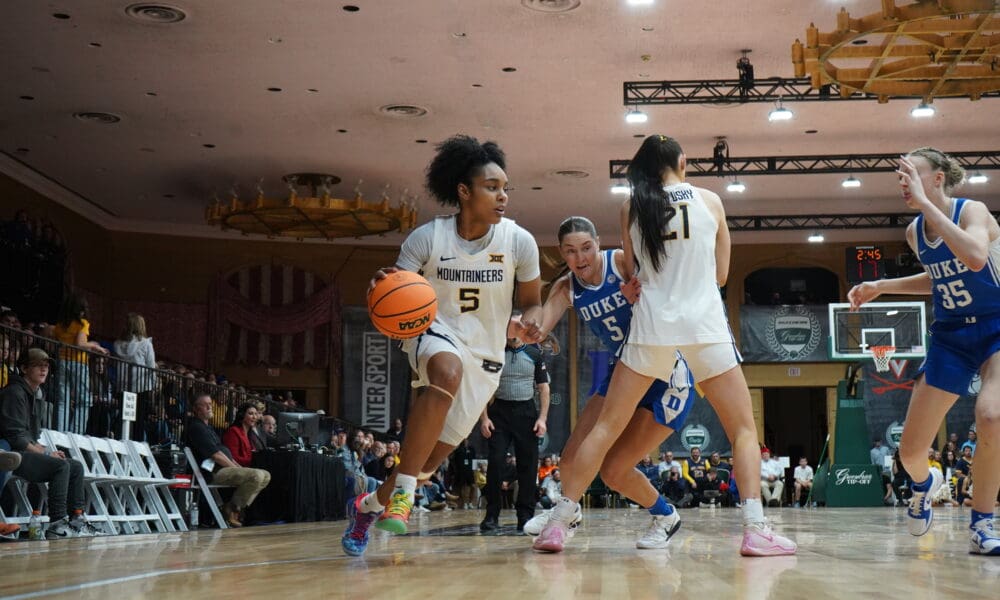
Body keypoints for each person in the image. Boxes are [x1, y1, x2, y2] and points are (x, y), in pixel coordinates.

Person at [534, 135, 796, 556]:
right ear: (683, 162)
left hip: (652, 327)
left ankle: (560, 522)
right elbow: (724, 275)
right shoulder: (711, 201)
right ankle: (755, 529)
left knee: (605, 428)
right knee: (743, 430)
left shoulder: (631, 207)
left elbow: (633, 273)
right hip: (704, 325)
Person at [341, 134, 544, 556]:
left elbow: (531, 304)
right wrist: (383, 286)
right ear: (464, 191)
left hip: (486, 356)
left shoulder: (519, 242)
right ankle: (404, 497)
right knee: (446, 372)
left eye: (506, 188)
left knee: (427, 461)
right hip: (432, 333)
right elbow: (394, 287)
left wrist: (530, 324)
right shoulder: (428, 239)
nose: (503, 196)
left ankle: (367, 506)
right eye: (492, 187)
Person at [847, 147, 1000, 554]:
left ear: (937, 178)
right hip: (950, 336)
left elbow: (974, 256)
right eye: (900, 175)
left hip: (995, 327)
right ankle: (923, 484)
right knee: (910, 452)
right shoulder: (916, 232)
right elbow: (938, 277)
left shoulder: (972, 212)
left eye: (912, 173)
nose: (904, 181)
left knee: (991, 416)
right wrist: (881, 286)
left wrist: (930, 208)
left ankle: (982, 523)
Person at [522, 215, 695, 549]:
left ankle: (665, 516)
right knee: (571, 457)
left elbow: (666, 298)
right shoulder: (566, 287)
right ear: (562, 253)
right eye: (570, 251)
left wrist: (641, 299)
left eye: (586, 248)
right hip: (625, 369)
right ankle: (568, 512)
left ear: (598, 243)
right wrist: (525, 328)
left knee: (615, 469)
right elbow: (540, 327)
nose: (580, 258)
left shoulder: (619, 263)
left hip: (664, 374)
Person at [0, 348, 101, 538]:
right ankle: (57, 523)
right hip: (11, 455)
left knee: (76, 466)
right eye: (38, 365)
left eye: (46, 366)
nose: (44, 369)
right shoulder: (14, 392)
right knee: (60, 466)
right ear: (23, 368)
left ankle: (77, 520)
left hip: (22, 451)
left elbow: (31, 436)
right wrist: (46, 454)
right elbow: (16, 437)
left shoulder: (36, 394)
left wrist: (45, 451)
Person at [480, 320, 551, 532]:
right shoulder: (495, 353)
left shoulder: (534, 353)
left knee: (528, 467)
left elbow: (544, 389)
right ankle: (491, 515)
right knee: (495, 464)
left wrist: (542, 419)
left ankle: (525, 516)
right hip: (499, 413)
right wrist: (484, 418)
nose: (513, 333)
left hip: (526, 413)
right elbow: (483, 387)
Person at [184, 394, 271, 527]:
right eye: (205, 404)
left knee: (266, 475)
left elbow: (225, 455)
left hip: (222, 469)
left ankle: (232, 507)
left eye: (210, 404)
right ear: (196, 409)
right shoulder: (196, 427)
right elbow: (216, 456)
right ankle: (233, 509)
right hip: (210, 473)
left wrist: (239, 468)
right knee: (257, 475)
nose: (209, 407)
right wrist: (236, 468)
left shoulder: (208, 428)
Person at [50, 293, 108, 432]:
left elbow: (57, 344)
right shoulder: (82, 324)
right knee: (84, 400)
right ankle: (76, 433)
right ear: (81, 309)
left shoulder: (59, 326)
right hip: (78, 362)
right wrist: (95, 346)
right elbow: (80, 343)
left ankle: (60, 432)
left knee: (63, 400)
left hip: (62, 361)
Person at [222, 403, 263, 467]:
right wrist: (254, 461)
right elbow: (233, 457)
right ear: (242, 415)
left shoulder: (251, 433)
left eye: (256, 414)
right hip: (237, 468)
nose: (254, 417)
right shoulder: (233, 431)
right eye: (251, 414)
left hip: (249, 466)